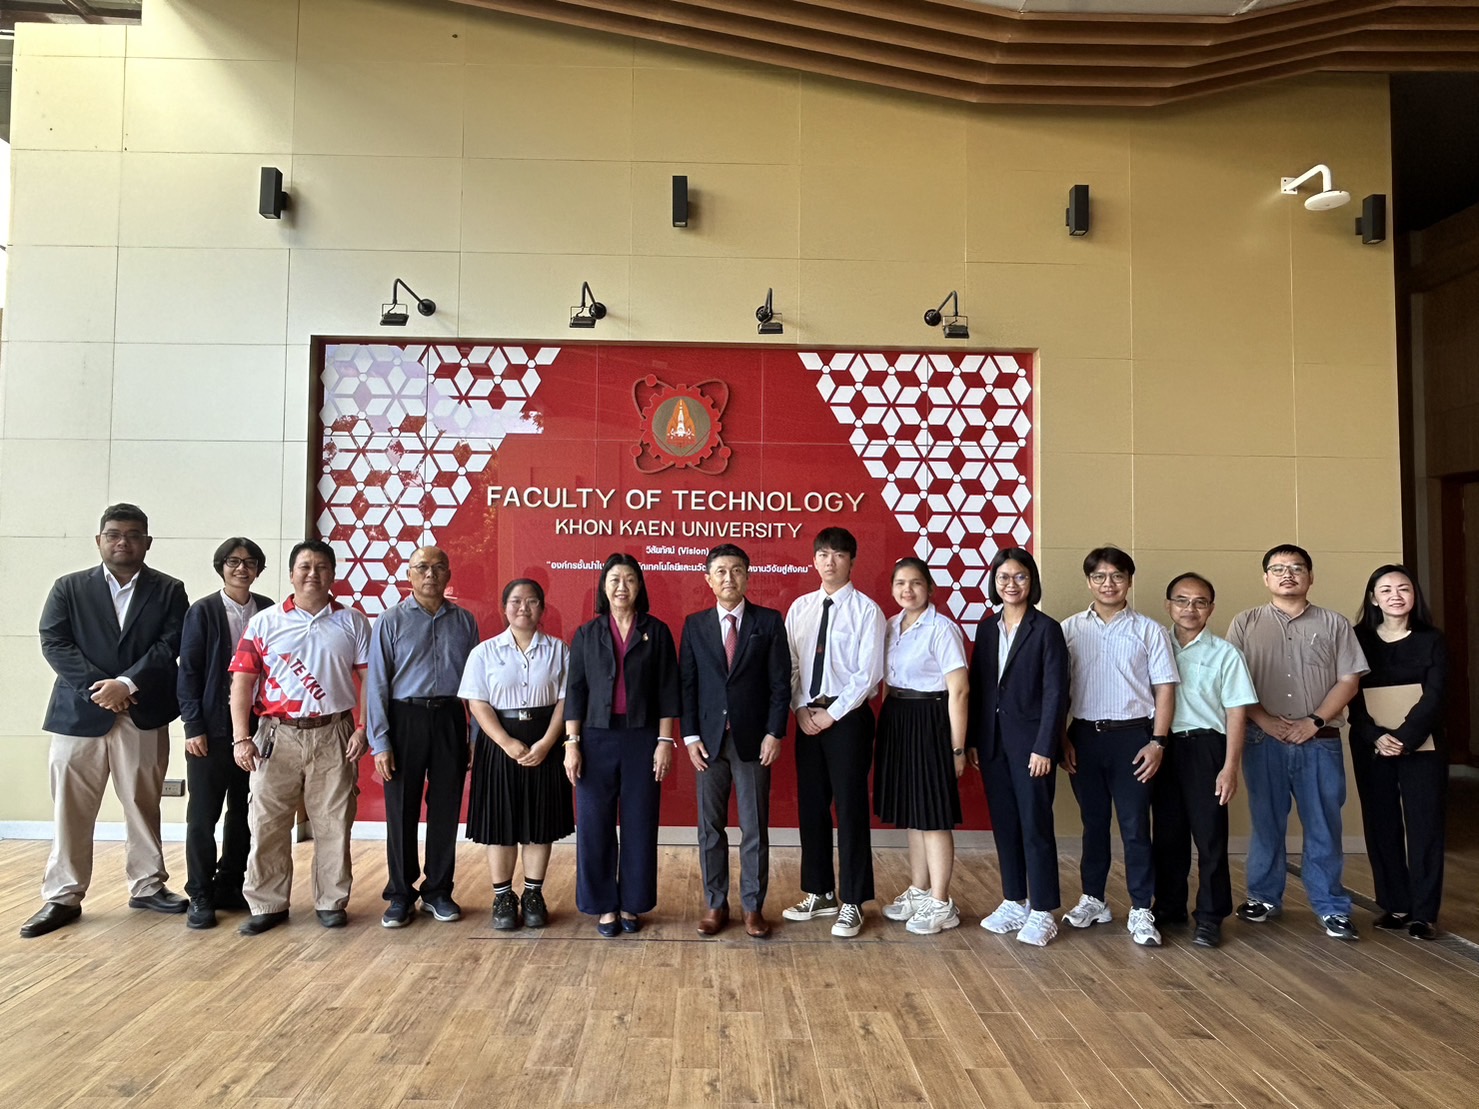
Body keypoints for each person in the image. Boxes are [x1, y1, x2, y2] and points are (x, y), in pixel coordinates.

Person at [21, 503, 190, 939]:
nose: (122, 542)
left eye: (133, 535)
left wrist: (127, 684)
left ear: (147, 542)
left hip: (142, 711)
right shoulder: (69, 587)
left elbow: (170, 643)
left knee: (142, 801)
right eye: (113, 534)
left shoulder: (169, 590)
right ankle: (63, 894)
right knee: (71, 807)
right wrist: (101, 688)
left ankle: (148, 885)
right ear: (99, 540)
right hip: (78, 714)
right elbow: (54, 641)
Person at [229, 540, 371, 935]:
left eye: (322, 567)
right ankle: (267, 903)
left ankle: (331, 900)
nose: (313, 574)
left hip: (334, 732)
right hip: (276, 735)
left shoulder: (352, 622)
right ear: (291, 574)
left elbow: (370, 681)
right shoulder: (265, 622)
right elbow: (242, 683)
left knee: (334, 822)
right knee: (267, 822)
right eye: (305, 566)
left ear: (333, 574)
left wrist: (363, 728)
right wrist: (242, 737)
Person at [1227, 544, 1368, 941]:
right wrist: (1265, 720)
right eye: (1278, 568)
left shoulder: (1334, 623)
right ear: (1265, 578)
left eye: (1296, 568)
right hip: (1262, 738)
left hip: (1319, 740)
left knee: (1324, 824)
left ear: (1310, 576)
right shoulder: (1245, 622)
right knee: (1266, 822)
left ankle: (1331, 906)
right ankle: (1263, 897)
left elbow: (1349, 680)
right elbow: (1233, 681)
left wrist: (1314, 720)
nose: (1287, 574)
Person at [1060, 545, 1178, 947]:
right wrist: (1061, 738)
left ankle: (1142, 907)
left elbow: (1165, 690)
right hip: (1083, 737)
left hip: (1134, 739)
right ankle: (1094, 899)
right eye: (1099, 576)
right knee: (1093, 824)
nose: (1108, 584)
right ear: (1088, 582)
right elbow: (1057, 690)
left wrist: (1158, 742)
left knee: (1134, 826)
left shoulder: (1149, 630)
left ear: (1129, 581)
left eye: (1117, 576)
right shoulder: (1069, 629)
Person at [563, 554, 680, 936]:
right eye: (614, 579)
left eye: (629, 579)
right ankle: (603, 906)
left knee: (640, 822)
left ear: (639, 586)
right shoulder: (586, 634)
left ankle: (632, 903)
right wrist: (572, 743)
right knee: (593, 824)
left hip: (643, 738)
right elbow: (575, 691)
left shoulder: (656, 631)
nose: (621, 587)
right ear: (603, 586)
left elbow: (668, 689)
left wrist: (665, 740)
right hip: (595, 739)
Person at [680, 544, 791, 939]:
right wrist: (690, 736)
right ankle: (716, 903)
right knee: (709, 828)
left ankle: (752, 907)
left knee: (754, 828)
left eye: (737, 570)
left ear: (747, 576)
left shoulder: (768, 621)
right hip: (707, 744)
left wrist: (774, 732)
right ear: (708, 579)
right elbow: (687, 685)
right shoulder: (694, 625)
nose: (729, 578)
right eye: (721, 571)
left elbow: (780, 684)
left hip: (753, 742)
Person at [366, 547, 480, 929]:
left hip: (450, 717)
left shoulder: (464, 622)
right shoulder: (390, 620)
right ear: (410, 575)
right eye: (422, 568)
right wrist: (381, 741)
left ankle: (438, 891)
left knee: (446, 808)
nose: (430, 574)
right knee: (401, 809)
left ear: (448, 574)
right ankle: (400, 894)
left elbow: (476, 684)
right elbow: (377, 684)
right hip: (405, 718)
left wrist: (474, 735)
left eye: (438, 567)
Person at [781, 527, 886, 939]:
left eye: (839, 554)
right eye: (823, 554)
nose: (830, 561)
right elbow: (790, 665)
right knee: (811, 807)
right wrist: (799, 708)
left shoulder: (867, 611)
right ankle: (819, 891)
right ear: (814, 560)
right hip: (807, 718)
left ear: (851, 561)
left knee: (851, 809)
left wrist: (833, 714)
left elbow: (868, 674)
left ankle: (853, 900)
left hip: (848, 720)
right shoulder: (800, 608)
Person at [968, 548, 1068, 947]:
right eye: (1003, 577)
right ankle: (1014, 900)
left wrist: (1046, 747)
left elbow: (1056, 693)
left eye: (1020, 576)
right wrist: (974, 740)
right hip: (993, 744)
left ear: (1032, 581)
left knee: (1035, 826)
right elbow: (978, 688)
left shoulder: (1046, 629)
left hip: (1032, 748)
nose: (1011, 584)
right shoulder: (987, 629)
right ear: (994, 582)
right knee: (1006, 825)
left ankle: (1042, 909)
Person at [1151, 573, 1258, 948]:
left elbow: (1236, 714)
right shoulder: (1154, 644)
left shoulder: (1226, 654)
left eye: (1199, 602)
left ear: (1211, 608)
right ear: (1168, 605)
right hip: (1162, 747)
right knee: (1167, 834)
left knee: (1210, 836)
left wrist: (1230, 767)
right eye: (1181, 600)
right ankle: (1168, 907)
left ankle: (1211, 916)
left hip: (1206, 747)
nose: (1190, 608)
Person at [460, 578, 573, 931]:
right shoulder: (484, 652)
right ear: (504, 607)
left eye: (532, 601)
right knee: (500, 822)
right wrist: (506, 742)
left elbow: (566, 701)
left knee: (539, 823)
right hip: (499, 743)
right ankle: (503, 896)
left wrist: (547, 742)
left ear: (543, 607)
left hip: (545, 741)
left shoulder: (559, 650)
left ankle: (534, 894)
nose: (524, 608)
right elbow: (477, 702)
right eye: (516, 601)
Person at [177, 537, 273, 930]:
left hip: (257, 729)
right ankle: (200, 892)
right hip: (212, 731)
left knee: (245, 813)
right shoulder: (203, 611)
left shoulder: (268, 609)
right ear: (221, 567)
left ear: (258, 569)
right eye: (233, 561)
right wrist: (193, 726)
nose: (241, 568)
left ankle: (230, 883)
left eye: (250, 562)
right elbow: (188, 672)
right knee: (203, 816)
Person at [1348, 565, 1448, 940]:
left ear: (1414, 595)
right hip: (1371, 744)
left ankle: (1424, 913)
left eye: (1403, 588)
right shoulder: (1357, 639)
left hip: (1423, 744)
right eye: (1385, 589)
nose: (1395, 595)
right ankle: (1395, 905)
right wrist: (1376, 735)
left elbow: (1436, 695)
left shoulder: (1432, 639)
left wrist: (1405, 736)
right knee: (1381, 823)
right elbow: (1348, 692)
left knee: (1425, 826)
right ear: (1373, 598)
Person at [875, 558, 969, 935]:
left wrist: (957, 748)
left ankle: (942, 901)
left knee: (933, 813)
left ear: (930, 588)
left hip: (931, 719)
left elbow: (959, 690)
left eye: (915, 583)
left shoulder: (942, 628)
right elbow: (885, 680)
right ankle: (919, 889)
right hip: (898, 717)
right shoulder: (890, 625)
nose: (907, 590)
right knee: (913, 811)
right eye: (900, 583)